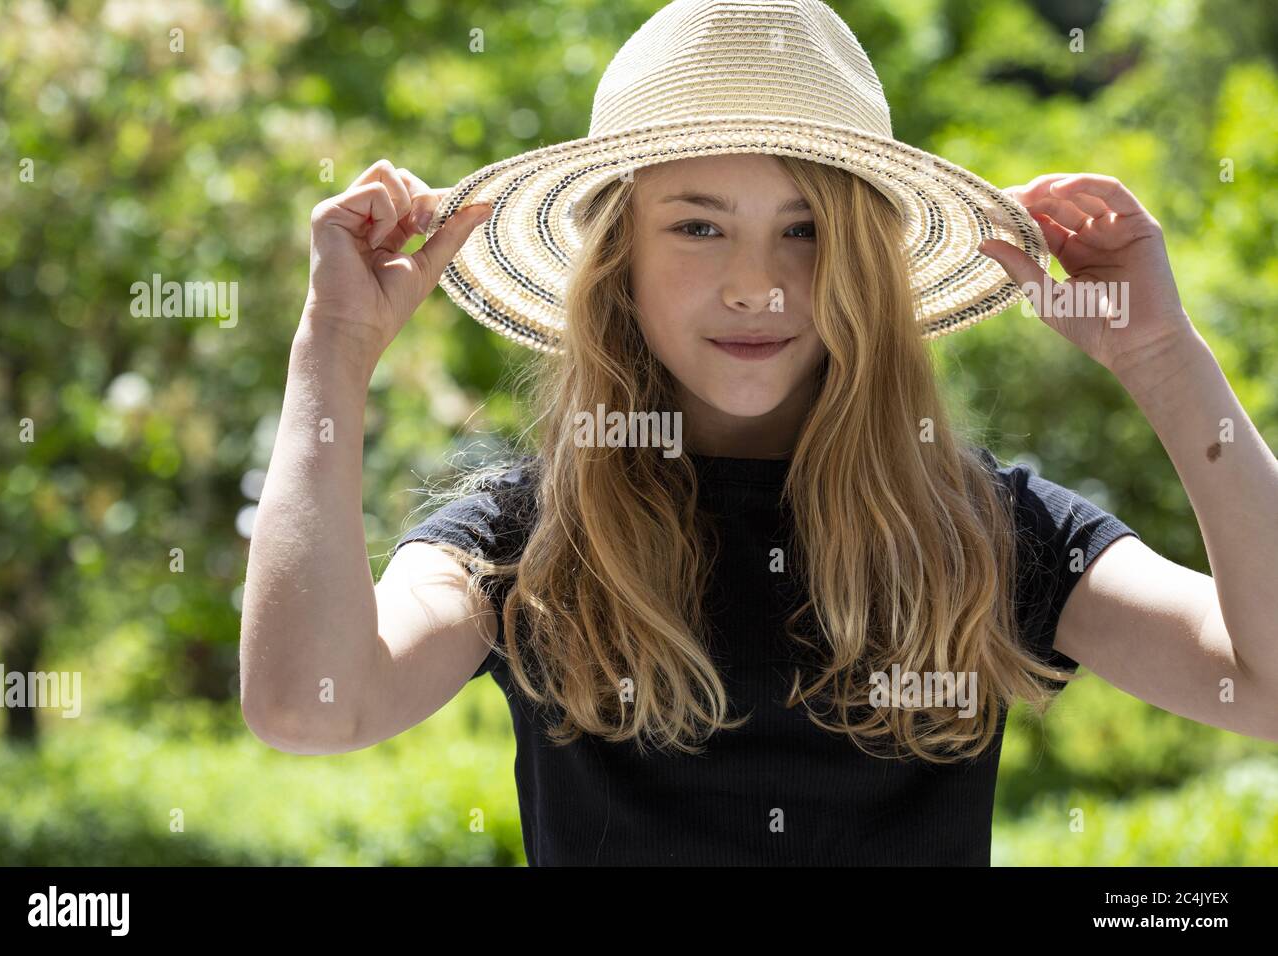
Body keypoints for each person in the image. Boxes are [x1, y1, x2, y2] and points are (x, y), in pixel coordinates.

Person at [240, 0, 1278, 866]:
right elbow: (308, 706)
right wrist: (331, 345)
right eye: (697, 225)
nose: (757, 283)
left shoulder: (986, 529)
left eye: (806, 228)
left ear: (867, 259)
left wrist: (1160, 359)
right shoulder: (527, 536)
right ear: (619, 262)